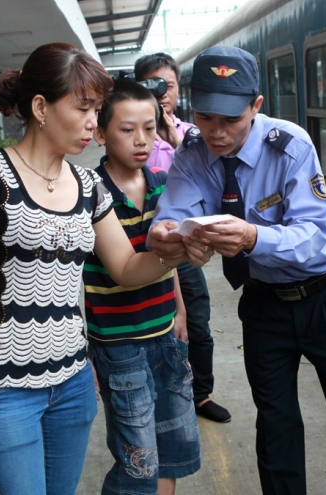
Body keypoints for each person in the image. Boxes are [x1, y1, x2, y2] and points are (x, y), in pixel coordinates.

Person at [0, 43, 199, 495]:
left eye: (96, 109)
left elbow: (126, 267)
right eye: (83, 108)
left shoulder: (89, 186)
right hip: (1, 390)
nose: (93, 121)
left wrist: (179, 252)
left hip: (73, 384)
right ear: (41, 108)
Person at [149, 46, 326, 495]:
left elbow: (314, 235)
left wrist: (253, 238)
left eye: (231, 119)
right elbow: (172, 214)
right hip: (264, 305)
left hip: (325, 299)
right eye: (205, 117)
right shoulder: (191, 154)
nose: (216, 131)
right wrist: (167, 235)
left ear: (256, 106)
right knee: (276, 426)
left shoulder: (290, 147)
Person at [84, 78, 200, 495]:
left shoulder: (162, 184)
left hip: (166, 336)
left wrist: (180, 311)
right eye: (127, 129)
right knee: (138, 463)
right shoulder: (90, 193)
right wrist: (85, 352)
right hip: (120, 347)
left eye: (150, 128)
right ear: (100, 133)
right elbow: (89, 277)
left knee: (171, 450)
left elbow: (166, 265)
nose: (141, 140)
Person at [135, 52, 230, 423]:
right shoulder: (133, 133)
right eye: (153, 85)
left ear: (178, 90)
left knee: (197, 319)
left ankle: (201, 394)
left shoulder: (193, 134)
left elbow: (209, 179)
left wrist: (173, 139)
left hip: (184, 247)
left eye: (168, 85)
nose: (162, 93)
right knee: (155, 326)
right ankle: (164, 396)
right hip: (143, 246)